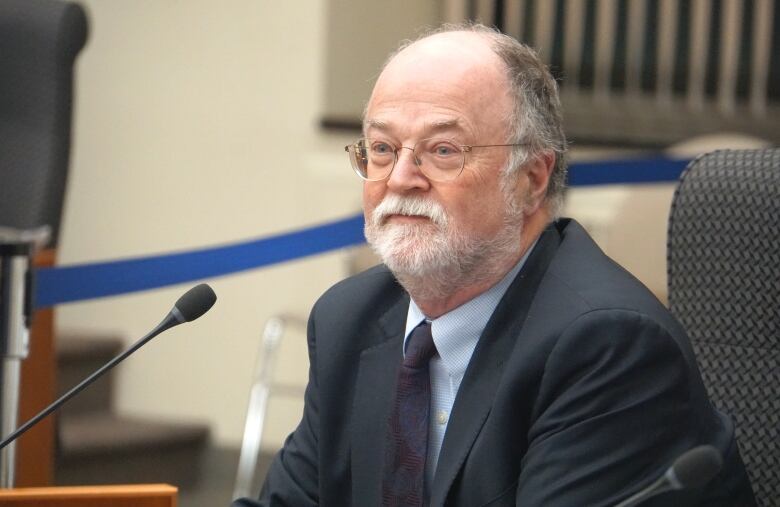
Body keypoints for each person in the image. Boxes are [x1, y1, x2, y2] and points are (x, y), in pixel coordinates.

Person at [233, 23, 755, 506]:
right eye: (382, 148)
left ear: (530, 179)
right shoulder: (351, 317)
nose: (399, 178)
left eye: (442, 150)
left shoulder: (608, 344)